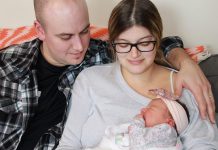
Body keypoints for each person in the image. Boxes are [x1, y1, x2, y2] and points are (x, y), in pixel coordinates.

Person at [0, 0, 215, 149]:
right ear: (40, 30)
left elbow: (149, 40)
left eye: (85, 31)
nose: (79, 46)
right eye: (65, 36)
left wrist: (185, 61)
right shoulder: (7, 64)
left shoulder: (99, 55)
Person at [89, 89, 189, 150]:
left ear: (169, 122)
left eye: (151, 108)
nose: (142, 109)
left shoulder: (168, 132)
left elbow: (138, 142)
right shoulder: (150, 132)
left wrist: (137, 122)